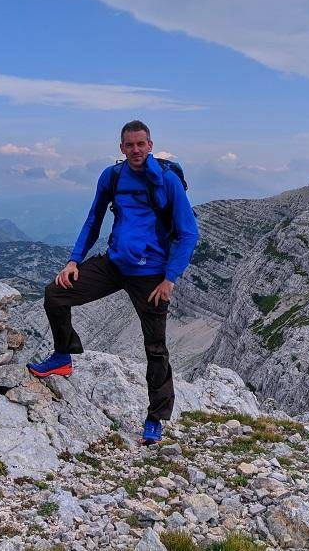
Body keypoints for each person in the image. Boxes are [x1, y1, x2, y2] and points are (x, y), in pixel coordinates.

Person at [27, 120, 199, 445]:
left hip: (151, 276)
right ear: (121, 147)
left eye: (140, 144)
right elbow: (94, 219)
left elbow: (188, 232)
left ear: (150, 145)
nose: (135, 150)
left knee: (156, 349)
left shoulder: (168, 180)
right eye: (129, 145)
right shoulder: (113, 176)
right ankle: (63, 356)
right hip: (114, 264)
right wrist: (73, 260)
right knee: (56, 294)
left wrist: (170, 278)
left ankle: (155, 419)